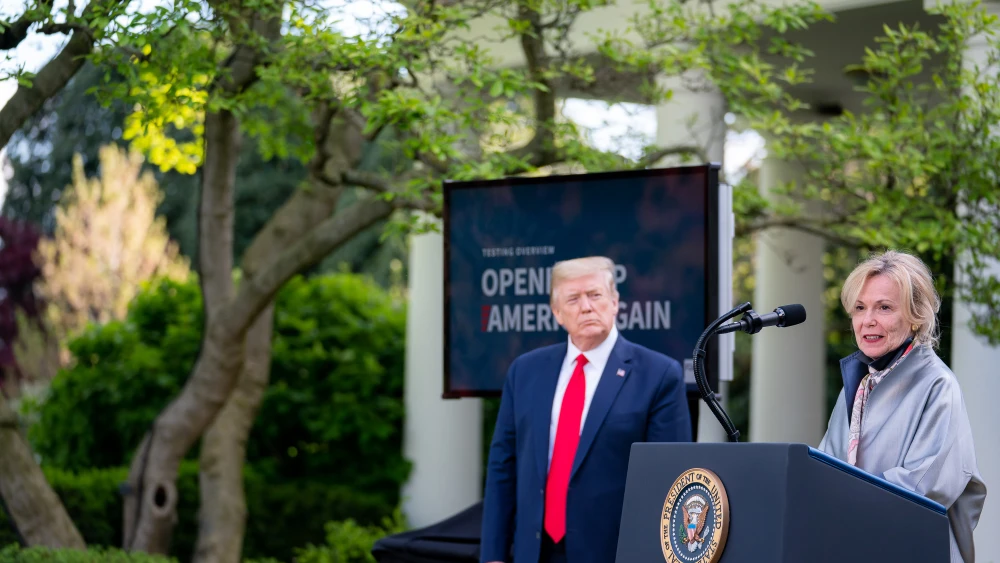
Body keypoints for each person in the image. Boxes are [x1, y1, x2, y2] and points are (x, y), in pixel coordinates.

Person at [480, 256, 692, 563]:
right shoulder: (525, 372)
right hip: (534, 552)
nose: (586, 306)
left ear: (615, 302)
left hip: (615, 553)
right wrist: (493, 555)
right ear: (557, 313)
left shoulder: (658, 375)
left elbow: (669, 479)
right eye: (573, 298)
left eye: (595, 295)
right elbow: (503, 467)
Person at [818, 250, 987, 563]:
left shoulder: (938, 385)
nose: (868, 320)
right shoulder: (857, 385)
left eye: (884, 307)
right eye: (860, 308)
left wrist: (842, 501)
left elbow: (923, 488)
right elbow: (825, 469)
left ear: (916, 316)